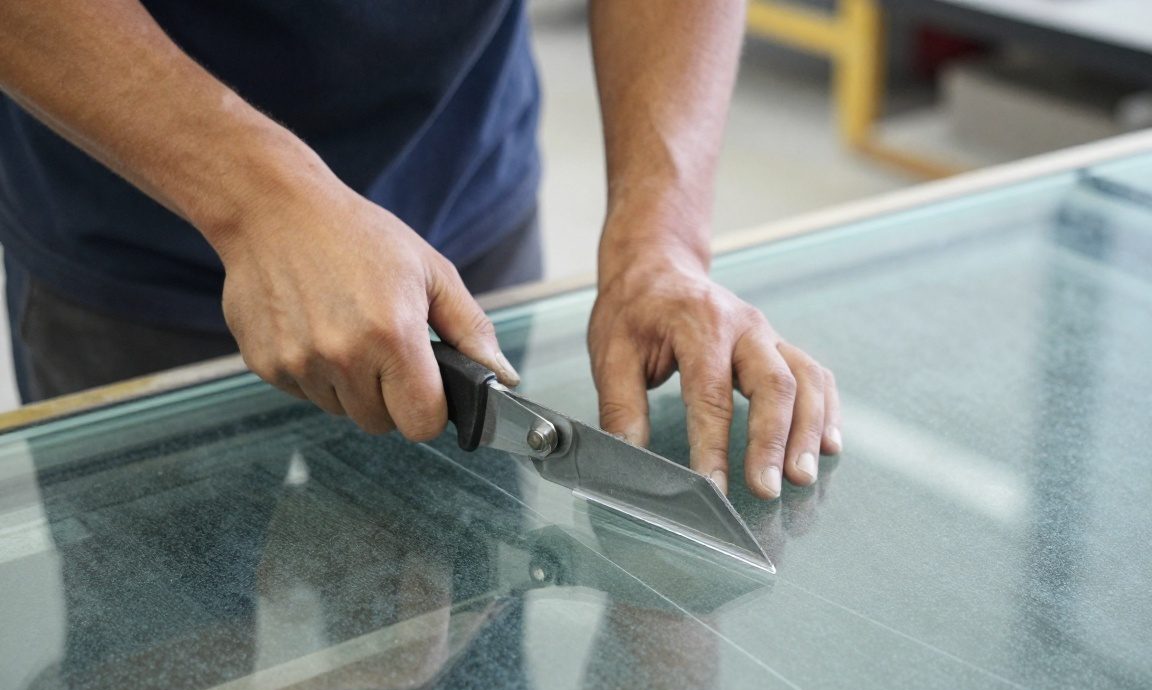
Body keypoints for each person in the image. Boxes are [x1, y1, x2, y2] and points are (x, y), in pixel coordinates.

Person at [0, 0, 840, 500]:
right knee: (167, 683)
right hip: (137, 222)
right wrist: (258, 199)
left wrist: (662, 239)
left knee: (465, 625)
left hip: (463, 206)